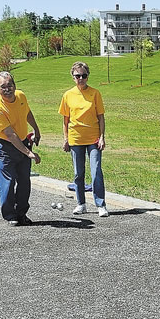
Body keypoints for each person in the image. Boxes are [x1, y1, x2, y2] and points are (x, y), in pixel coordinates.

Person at [0, 72, 41, 226]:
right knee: (8, 182)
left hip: (23, 141)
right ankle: (10, 215)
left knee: (24, 181)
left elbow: (27, 112)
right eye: (3, 87)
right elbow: (11, 135)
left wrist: (36, 130)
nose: (7, 89)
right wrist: (29, 153)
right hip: (5, 147)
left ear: (15, 85)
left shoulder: (21, 96)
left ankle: (21, 213)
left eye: (9, 85)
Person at [58, 62, 108, 217]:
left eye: (84, 76)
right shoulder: (68, 95)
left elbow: (101, 117)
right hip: (75, 139)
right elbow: (66, 120)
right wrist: (65, 139)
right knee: (78, 173)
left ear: (88, 76)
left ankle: (100, 204)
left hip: (93, 138)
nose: (81, 79)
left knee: (96, 171)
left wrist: (102, 137)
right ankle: (81, 204)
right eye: (77, 76)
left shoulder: (95, 93)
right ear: (73, 77)